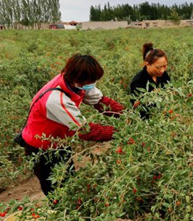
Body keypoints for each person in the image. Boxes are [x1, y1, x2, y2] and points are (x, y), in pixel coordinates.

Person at [20, 54, 123, 196]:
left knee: (69, 180)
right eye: (89, 82)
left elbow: (100, 101)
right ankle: (61, 213)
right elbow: (86, 131)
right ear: (77, 79)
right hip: (41, 148)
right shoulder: (56, 99)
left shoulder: (75, 81)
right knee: (56, 190)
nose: (91, 85)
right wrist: (121, 132)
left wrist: (127, 114)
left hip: (59, 141)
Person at [129, 43, 171, 119]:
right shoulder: (138, 82)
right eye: (158, 67)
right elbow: (141, 109)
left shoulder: (164, 75)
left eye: (164, 66)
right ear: (147, 64)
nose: (162, 70)